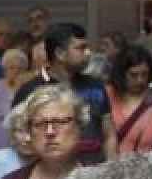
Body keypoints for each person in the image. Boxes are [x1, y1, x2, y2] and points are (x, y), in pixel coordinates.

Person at [13, 24, 114, 163]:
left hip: (95, 176)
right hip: (49, 175)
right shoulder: (30, 91)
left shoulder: (96, 86)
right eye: (81, 48)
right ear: (60, 53)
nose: (88, 53)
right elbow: (21, 140)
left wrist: (111, 171)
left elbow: (109, 134)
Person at [104, 44, 152, 154]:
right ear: (121, 74)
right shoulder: (106, 95)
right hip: (110, 167)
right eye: (133, 75)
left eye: (144, 74)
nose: (140, 80)